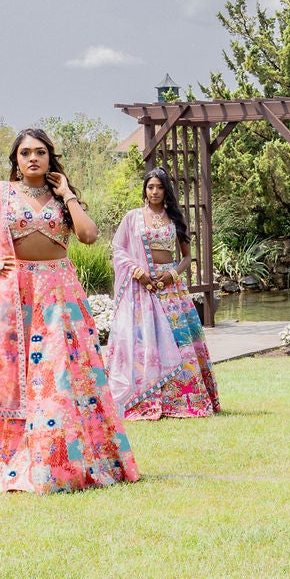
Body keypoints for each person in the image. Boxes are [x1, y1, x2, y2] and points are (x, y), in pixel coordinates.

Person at [0, 128, 139, 493]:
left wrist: (69, 195)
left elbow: (89, 236)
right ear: (15, 159)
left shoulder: (62, 199)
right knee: (12, 375)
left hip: (59, 293)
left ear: (50, 158)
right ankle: (8, 458)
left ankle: (62, 460)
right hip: (12, 292)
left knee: (60, 376)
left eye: (40, 152)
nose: (33, 158)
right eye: (26, 152)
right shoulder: (1, 194)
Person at [106, 167, 219, 420]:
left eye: (159, 187)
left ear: (166, 190)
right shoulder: (133, 218)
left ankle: (182, 398)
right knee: (146, 341)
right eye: (150, 187)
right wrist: (138, 273)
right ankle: (144, 397)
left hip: (170, 288)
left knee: (179, 341)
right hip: (141, 287)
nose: (154, 191)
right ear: (145, 190)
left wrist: (172, 275)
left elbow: (187, 256)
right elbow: (119, 249)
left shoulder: (175, 219)